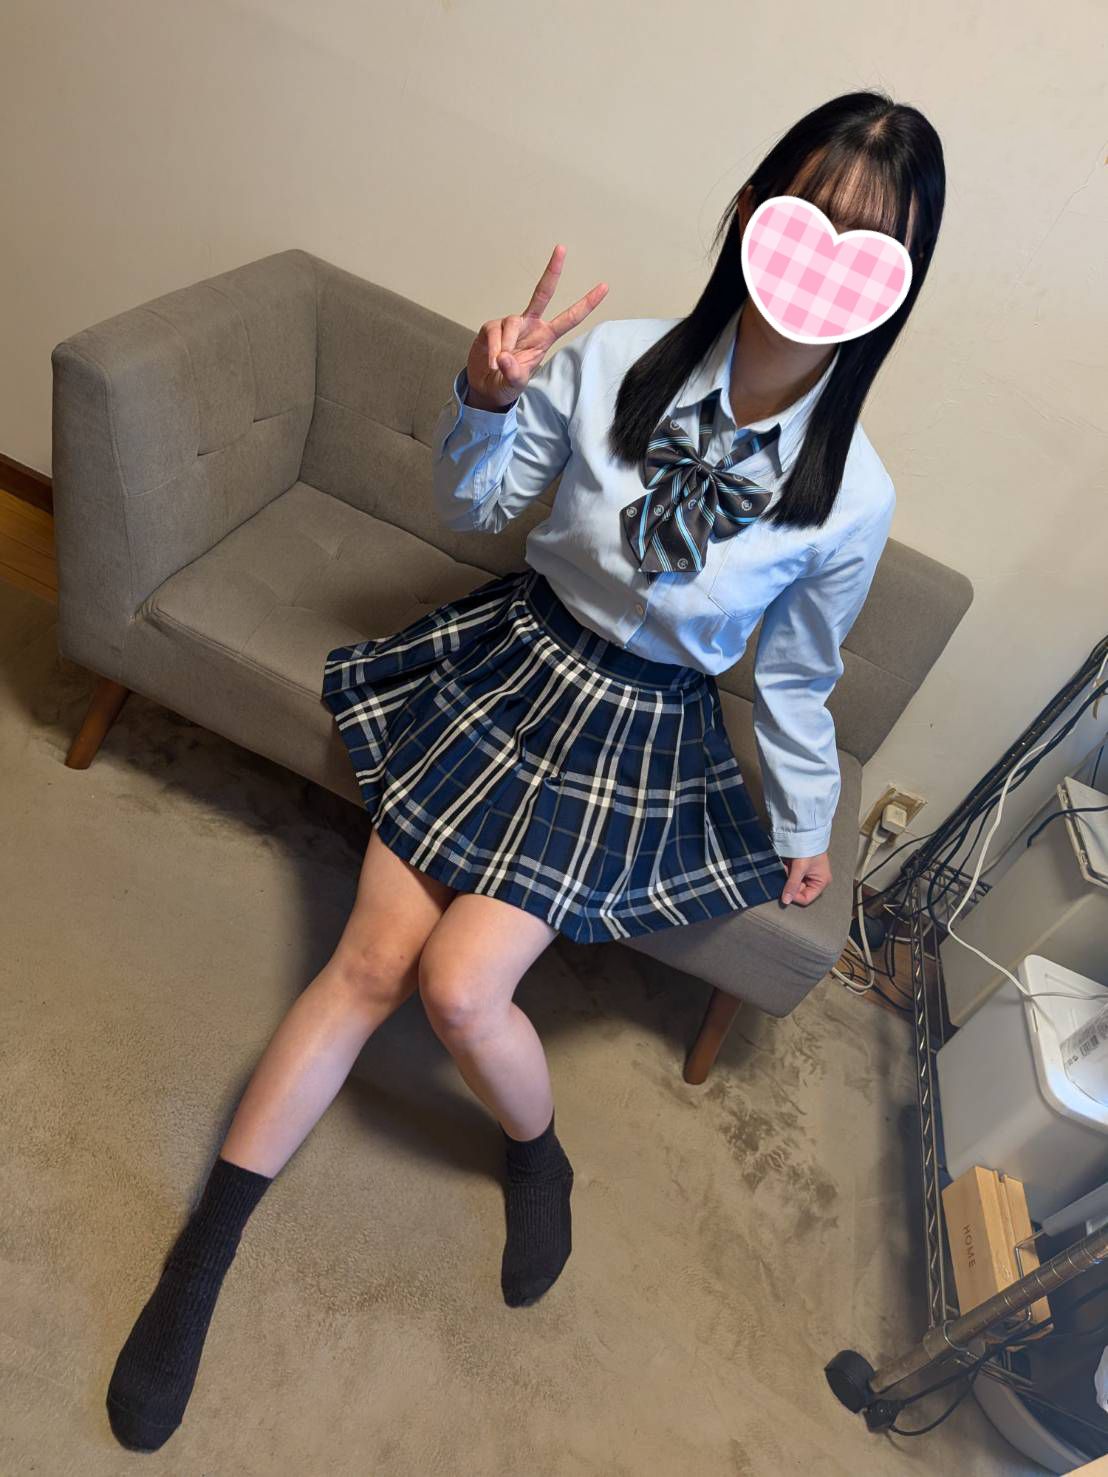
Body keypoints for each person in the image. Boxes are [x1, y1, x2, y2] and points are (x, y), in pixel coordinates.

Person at [104, 88, 945, 1450]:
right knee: (370, 963)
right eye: (810, 216)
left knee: (457, 985)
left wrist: (805, 819)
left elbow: (796, 674)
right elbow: (479, 508)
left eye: (870, 243)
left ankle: (537, 1155)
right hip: (516, 660)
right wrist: (483, 400)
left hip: (639, 727)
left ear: (894, 285)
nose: (824, 259)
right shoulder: (611, 360)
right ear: (750, 215)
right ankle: (201, 1259)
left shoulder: (853, 494)